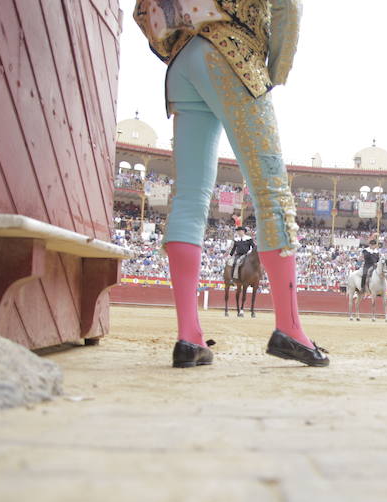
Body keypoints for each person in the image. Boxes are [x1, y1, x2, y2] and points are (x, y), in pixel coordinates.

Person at [134, 0, 328, 367]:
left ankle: (188, 337)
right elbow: (288, 5)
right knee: (272, 195)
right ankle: (289, 327)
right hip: (233, 57)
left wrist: (179, 45)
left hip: (183, 64)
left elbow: (145, 12)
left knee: (189, 199)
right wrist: (273, 70)